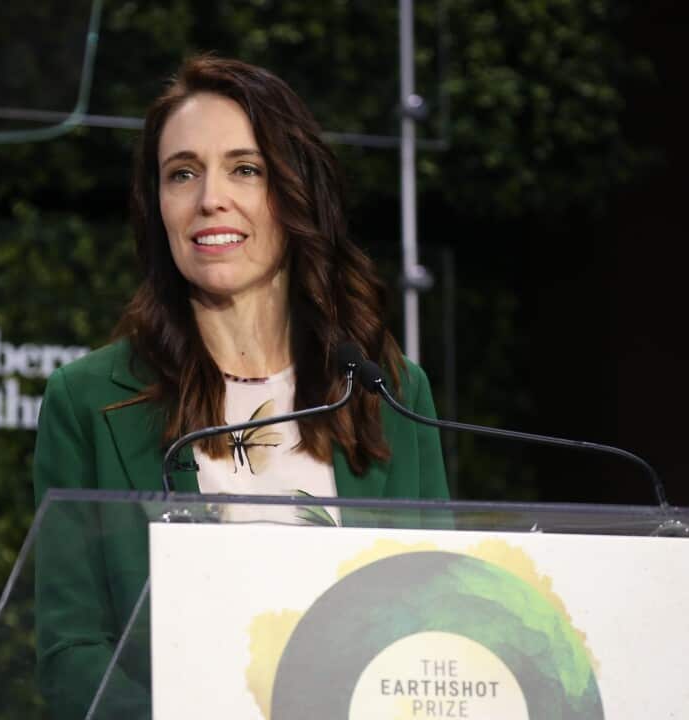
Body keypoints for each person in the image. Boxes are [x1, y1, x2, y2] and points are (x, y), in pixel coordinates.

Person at [30, 55, 448, 718]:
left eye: (244, 169)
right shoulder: (88, 400)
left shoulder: (389, 392)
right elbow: (72, 652)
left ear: (293, 192)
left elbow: (435, 627)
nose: (209, 199)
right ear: (156, 206)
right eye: (182, 174)